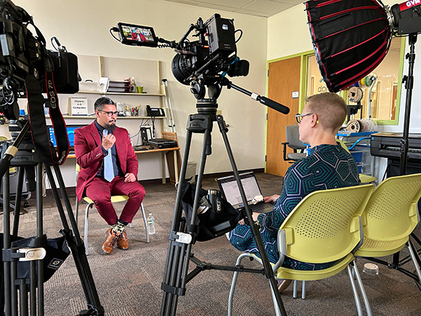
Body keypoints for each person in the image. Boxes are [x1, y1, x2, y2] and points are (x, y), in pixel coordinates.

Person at [228, 92, 360, 292]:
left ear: (313, 119)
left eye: (301, 118)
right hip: (339, 249)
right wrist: (282, 198)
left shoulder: (302, 169)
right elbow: (327, 198)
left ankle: (279, 267)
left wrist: (252, 216)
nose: (299, 123)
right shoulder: (348, 160)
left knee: (234, 228)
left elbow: (275, 224)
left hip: (302, 256)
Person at [74, 97, 145, 255]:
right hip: (95, 178)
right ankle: (120, 232)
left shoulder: (122, 133)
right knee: (100, 198)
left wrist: (132, 173)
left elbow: (131, 158)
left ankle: (115, 232)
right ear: (97, 113)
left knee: (139, 191)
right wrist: (103, 148)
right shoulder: (82, 133)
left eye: (115, 113)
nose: (114, 116)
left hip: (118, 178)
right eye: (109, 113)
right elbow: (82, 161)